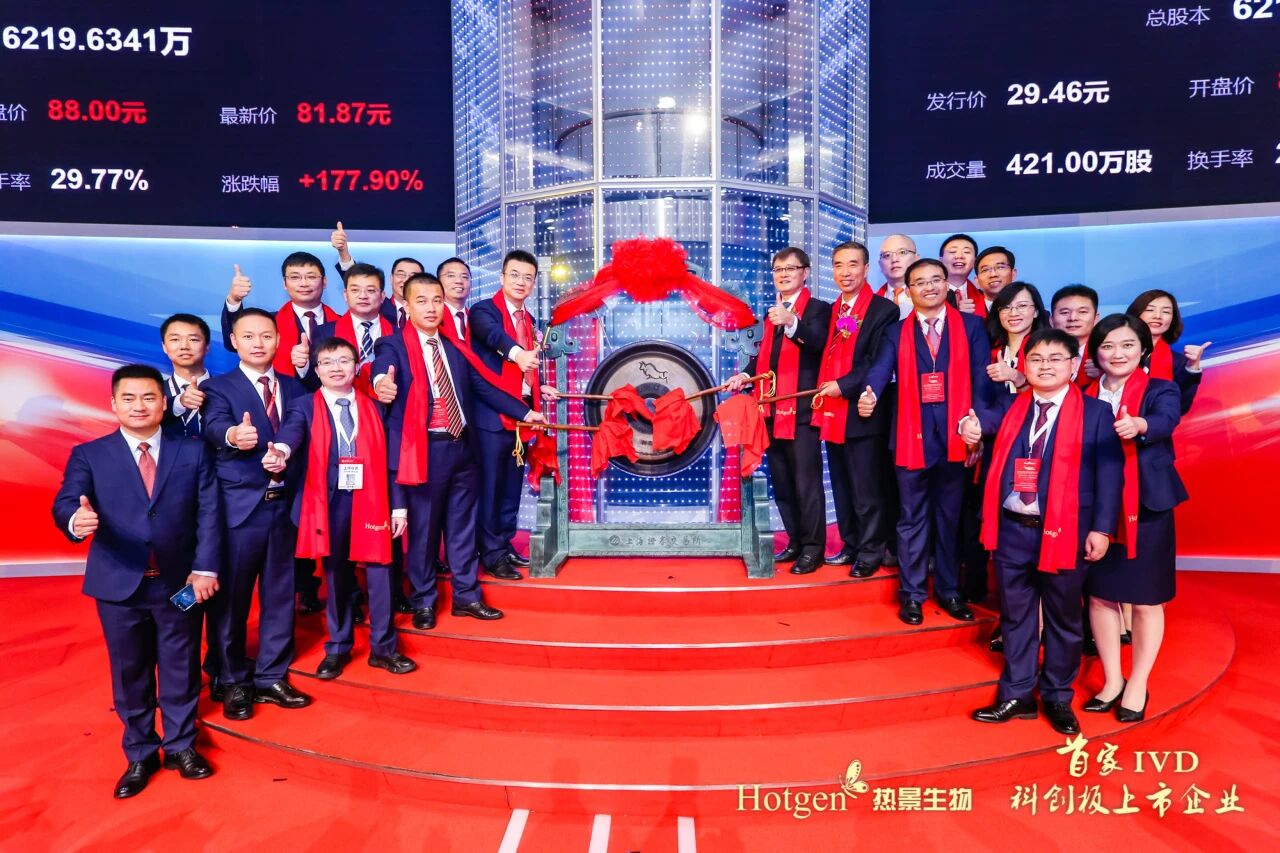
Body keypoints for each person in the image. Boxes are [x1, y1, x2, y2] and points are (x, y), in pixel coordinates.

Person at [52, 364, 222, 798]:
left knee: (181, 666)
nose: (139, 406)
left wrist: (205, 569)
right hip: (119, 584)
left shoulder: (192, 451)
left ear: (164, 402)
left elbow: (209, 512)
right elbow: (67, 501)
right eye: (128, 398)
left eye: (148, 397)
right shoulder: (90, 454)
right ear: (113, 404)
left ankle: (181, 745)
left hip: (180, 583)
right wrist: (75, 519)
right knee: (130, 671)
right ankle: (141, 752)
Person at [971, 328, 1124, 736]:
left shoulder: (1095, 413)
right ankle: (1017, 694)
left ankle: (1057, 695)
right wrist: (970, 426)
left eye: (1056, 359)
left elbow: (1110, 475)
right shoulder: (1012, 407)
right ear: (1025, 365)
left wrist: (1102, 529)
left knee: (1063, 618)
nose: (1045, 366)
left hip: (1067, 531)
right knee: (1016, 616)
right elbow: (982, 424)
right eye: (1036, 359)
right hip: (1012, 530)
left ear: (1074, 365)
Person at [372, 274, 544, 628]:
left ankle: (467, 596)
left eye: (437, 300)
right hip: (424, 451)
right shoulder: (393, 345)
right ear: (406, 305)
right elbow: (381, 368)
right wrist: (380, 382)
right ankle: (423, 600)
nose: (431, 308)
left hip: (463, 449)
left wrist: (525, 413)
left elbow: (485, 388)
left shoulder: (454, 347)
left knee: (462, 527)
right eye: (422, 301)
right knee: (424, 532)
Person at [264, 337, 417, 678]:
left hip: (373, 500)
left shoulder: (376, 407)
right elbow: (291, 435)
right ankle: (338, 647)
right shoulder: (303, 406)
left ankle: (384, 648)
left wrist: (399, 508)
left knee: (380, 574)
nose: (336, 368)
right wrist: (281, 452)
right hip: (328, 502)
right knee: (336, 576)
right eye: (328, 362)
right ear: (317, 370)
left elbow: (392, 462)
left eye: (344, 361)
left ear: (356, 366)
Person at [859, 258, 1001, 624]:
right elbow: (881, 367)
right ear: (909, 291)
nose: (929, 287)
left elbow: (981, 382)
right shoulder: (897, 331)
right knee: (911, 520)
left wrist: (977, 428)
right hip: (911, 438)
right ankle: (912, 594)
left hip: (957, 437)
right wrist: (870, 392)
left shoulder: (971, 326)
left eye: (936, 280)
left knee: (949, 520)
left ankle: (950, 591)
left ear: (946, 284)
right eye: (920, 282)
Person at [201, 308, 312, 720]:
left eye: (266, 335)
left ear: (279, 340)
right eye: (248, 336)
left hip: (285, 507)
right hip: (240, 510)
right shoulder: (218, 388)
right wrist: (233, 434)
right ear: (234, 342)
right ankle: (232, 679)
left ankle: (270, 676)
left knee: (280, 596)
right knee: (231, 600)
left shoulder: (296, 387)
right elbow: (214, 425)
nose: (258, 343)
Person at [1082, 314, 1187, 723]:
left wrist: (1139, 424)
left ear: (1143, 348)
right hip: (1098, 509)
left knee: (1146, 599)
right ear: (1096, 352)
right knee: (1100, 595)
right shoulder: (1085, 395)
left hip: (1147, 506)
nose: (1117, 353)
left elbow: (1165, 421)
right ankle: (1112, 680)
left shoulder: (1161, 389)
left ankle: (1138, 682)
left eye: (1127, 345)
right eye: (1107, 345)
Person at [726, 247, 832, 574]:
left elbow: (817, 344)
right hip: (770, 409)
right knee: (783, 483)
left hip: (802, 411)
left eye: (790, 268)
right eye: (778, 270)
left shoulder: (818, 309)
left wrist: (792, 323)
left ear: (805, 272)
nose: (783, 275)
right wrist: (745, 375)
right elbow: (765, 359)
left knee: (806, 484)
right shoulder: (773, 312)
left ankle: (813, 549)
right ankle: (796, 541)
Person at [468, 250, 560, 580]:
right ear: (502, 277)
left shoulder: (529, 320)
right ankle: (490, 554)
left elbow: (528, 370)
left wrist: (540, 387)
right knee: (490, 490)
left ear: (534, 283)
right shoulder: (483, 311)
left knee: (511, 488)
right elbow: (495, 338)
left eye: (528, 278)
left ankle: (503, 544)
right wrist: (518, 353)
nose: (521, 282)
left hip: (521, 417)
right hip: (492, 418)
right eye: (515, 275)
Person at [813, 240, 899, 576]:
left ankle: (871, 551)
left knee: (867, 488)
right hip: (832, 411)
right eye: (838, 265)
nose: (845, 272)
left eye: (852, 264)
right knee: (841, 485)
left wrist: (843, 386)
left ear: (866, 268)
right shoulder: (833, 310)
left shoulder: (883, 311)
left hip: (863, 411)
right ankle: (850, 544)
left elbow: (876, 362)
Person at [962, 283, 1049, 609]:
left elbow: (1056, 393)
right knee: (989, 521)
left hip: (1036, 448)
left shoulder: (1045, 347)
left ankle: (1037, 610)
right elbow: (979, 398)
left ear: (1036, 311)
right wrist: (975, 433)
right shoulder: (989, 348)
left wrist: (1018, 377)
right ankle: (997, 602)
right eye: (1006, 307)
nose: (1014, 313)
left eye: (1022, 306)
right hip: (994, 445)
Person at [221, 252, 339, 386]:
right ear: (284, 283)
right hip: (282, 394)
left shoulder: (343, 323)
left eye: (311, 277)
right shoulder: (269, 321)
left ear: (324, 282)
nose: (304, 283)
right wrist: (234, 300)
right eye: (295, 277)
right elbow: (232, 344)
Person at [1126, 289, 1210, 415]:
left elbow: (1180, 407)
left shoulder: (1178, 362)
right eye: (1150, 310)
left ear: (1172, 320)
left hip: (1153, 426)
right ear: (1136, 314)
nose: (1158, 316)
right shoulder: (1113, 353)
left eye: (1166, 312)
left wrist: (1192, 367)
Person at [312, 262, 393, 392]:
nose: (363, 296)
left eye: (370, 290)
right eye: (355, 290)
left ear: (382, 296)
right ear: (345, 294)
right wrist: (302, 367)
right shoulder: (324, 333)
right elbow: (314, 379)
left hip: (387, 402)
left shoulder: (398, 334)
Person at [329, 220, 424, 329]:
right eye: (401, 275)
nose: (406, 280)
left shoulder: (428, 310)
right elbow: (357, 278)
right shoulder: (378, 303)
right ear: (391, 278)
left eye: (413, 276)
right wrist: (343, 252)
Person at [160, 313, 212, 439]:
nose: (184, 346)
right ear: (164, 347)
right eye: (175, 339)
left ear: (207, 346)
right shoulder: (154, 391)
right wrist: (179, 402)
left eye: (193, 340)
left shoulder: (227, 390)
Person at [1050, 284, 1100, 387]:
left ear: (1096, 319)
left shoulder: (1104, 356)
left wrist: (1105, 375)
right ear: (1051, 320)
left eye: (1082, 312)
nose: (1073, 318)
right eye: (1065, 312)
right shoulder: (1041, 355)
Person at [939, 234, 985, 317]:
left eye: (966, 252)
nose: (959, 256)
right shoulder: (929, 294)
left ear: (975, 261)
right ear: (941, 260)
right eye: (952, 252)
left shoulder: (984, 296)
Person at [876, 234, 917, 319]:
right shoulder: (871, 302)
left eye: (902, 252)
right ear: (880, 264)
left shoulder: (932, 295)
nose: (894, 260)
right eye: (887, 255)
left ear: (916, 258)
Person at [437, 257, 473, 342]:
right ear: (438, 282)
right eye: (451, 276)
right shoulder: (431, 317)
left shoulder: (477, 319)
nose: (459, 281)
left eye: (464, 277)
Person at [974, 246, 1018, 312]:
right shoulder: (968, 313)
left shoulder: (1028, 309)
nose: (993, 274)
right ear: (977, 280)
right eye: (985, 270)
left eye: (1000, 267)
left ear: (1013, 274)